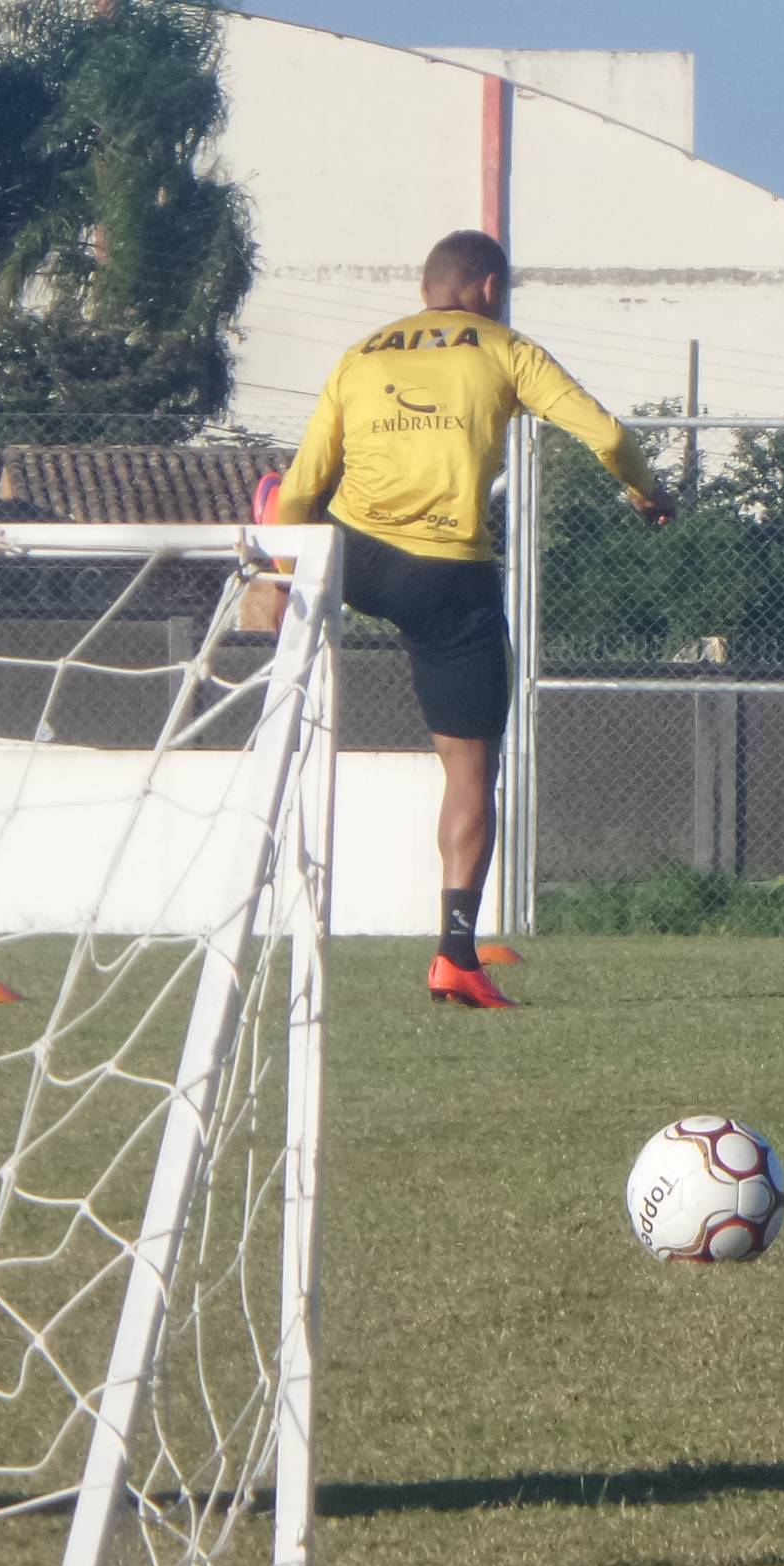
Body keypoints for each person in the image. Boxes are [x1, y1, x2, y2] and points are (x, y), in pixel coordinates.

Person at [274, 230, 671, 1008]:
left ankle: (275, 594)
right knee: (469, 770)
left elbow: (301, 484)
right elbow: (610, 436)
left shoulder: (362, 354)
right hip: (446, 574)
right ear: (487, 287)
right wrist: (646, 491)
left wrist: (293, 574)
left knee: (290, 508)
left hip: (356, 558)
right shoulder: (503, 347)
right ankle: (455, 953)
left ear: (428, 287)